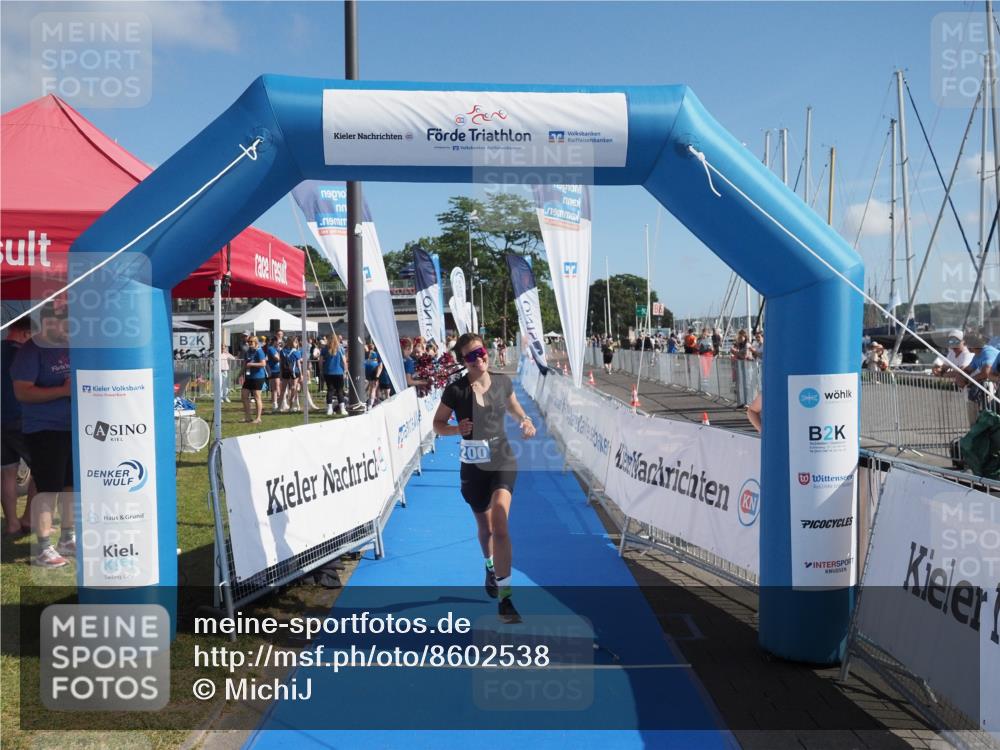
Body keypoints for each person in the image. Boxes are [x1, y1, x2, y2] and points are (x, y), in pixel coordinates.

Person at [432, 333, 537, 624]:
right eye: (470, 356)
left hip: (502, 459)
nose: (479, 358)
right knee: (487, 528)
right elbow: (437, 424)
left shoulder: (502, 382)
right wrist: (456, 429)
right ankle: (489, 565)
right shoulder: (455, 391)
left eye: (480, 351)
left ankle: (505, 599)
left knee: (501, 522)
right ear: (462, 362)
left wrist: (525, 421)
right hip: (473, 469)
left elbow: (514, 406)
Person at [10, 311, 75, 567]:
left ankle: (67, 539)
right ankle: (42, 548)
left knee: (71, 487)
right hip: (45, 430)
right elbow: (22, 393)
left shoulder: (71, 346)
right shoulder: (32, 350)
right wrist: (62, 390)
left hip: (74, 428)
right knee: (48, 490)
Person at [2, 317, 36, 537]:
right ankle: (29, 520)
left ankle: (12, 524)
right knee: (43, 470)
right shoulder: (24, 355)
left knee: (6, 473)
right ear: (25, 334)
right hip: (21, 418)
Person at [961, 334, 998, 426]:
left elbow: (986, 373)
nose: (965, 345)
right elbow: (968, 370)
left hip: (994, 387)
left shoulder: (987, 352)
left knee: (991, 412)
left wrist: (970, 380)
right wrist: (960, 374)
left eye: (967, 343)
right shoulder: (977, 355)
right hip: (990, 387)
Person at [241, 336, 267, 424]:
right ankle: (248, 417)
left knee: (257, 397)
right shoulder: (248, 351)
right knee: (244, 395)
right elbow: (245, 364)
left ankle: (258, 418)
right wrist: (239, 375)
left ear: (256, 342)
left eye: (251, 341)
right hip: (248, 377)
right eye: (248, 341)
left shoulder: (259, 351)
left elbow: (263, 363)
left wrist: (252, 364)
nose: (249, 343)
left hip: (258, 377)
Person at [322, 335, 348, 416]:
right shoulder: (340, 349)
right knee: (340, 390)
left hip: (328, 372)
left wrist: (321, 370)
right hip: (339, 372)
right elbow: (344, 361)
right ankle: (343, 409)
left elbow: (320, 360)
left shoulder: (324, 349)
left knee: (330, 390)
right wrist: (345, 371)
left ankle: (329, 409)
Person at [265, 336, 282, 412]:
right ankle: (275, 404)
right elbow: (277, 358)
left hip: (277, 370)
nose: (279, 343)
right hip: (273, 370)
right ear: (274, 341)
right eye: (278, 341)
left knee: (277, 387)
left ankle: (277, 403)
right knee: (275, 388)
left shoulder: (275, 349)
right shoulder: (271, 349)